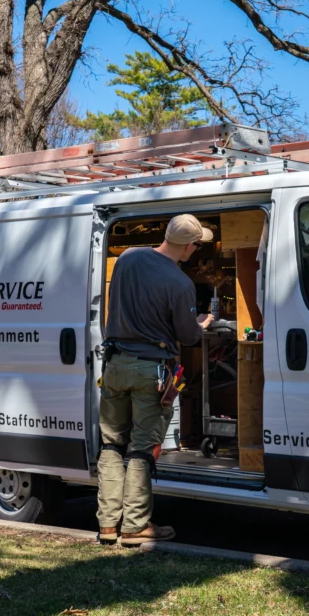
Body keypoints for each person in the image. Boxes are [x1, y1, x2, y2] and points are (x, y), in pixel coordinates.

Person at [97, 214, 214, 546]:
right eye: (195, 244)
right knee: (142, 449)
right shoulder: (180, 284)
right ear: (190, 246)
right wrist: (202, 323)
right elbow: (187, 336)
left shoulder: (127, 258)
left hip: (114, 364)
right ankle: (134, 526)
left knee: (110, 445)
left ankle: (107, 525)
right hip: (151, 369)